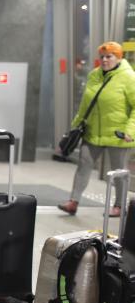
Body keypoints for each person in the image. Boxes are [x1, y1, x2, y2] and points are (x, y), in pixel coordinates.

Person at [59, 41, 135, 217]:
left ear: (119, 57)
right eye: (102, 57)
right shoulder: (94, 75)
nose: (105, 60)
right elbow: (85, 105)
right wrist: (74, 127)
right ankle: (73, 201)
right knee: (83, 164)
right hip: (93, 132)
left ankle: (119, 206)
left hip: (118, 135)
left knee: (118, 172)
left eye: (109, 56)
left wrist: (130, 131)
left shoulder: (129, 77)